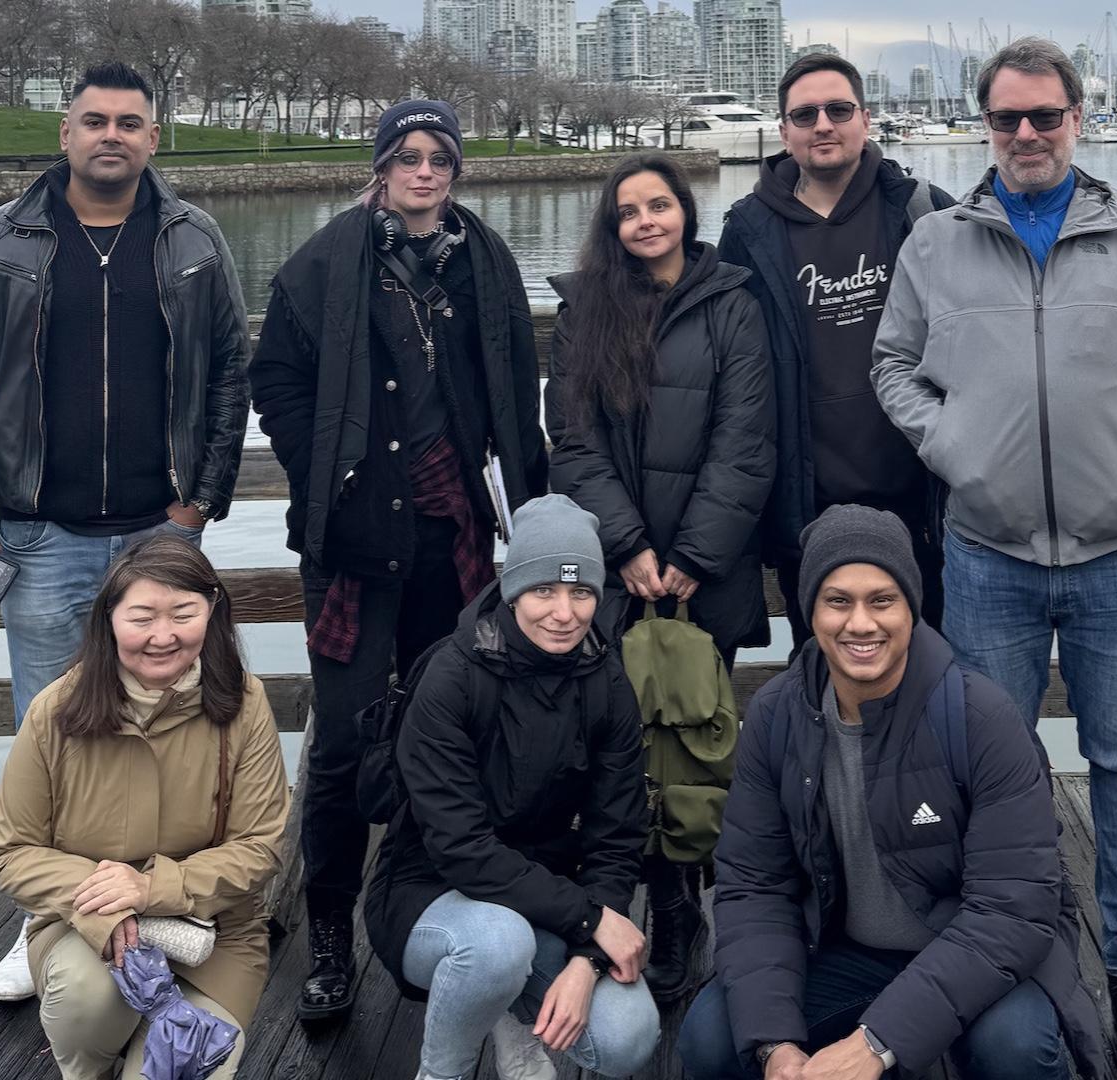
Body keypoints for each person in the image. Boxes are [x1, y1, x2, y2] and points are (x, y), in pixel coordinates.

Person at [870, 36, 1117, 1074]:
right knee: (995, 770)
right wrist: (954, 449)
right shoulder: (937, 244)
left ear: (1078, 118)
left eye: (1045, 116)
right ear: (985, 126)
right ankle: (1011, 960)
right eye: (1007, 119)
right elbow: (894, 366)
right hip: (986, 557)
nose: (1026, 134)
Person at [0, 60, 250, 1002]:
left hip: (162, 531)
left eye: (131, 122)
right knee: (56, 736)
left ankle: (159, 908)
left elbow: (232, 373)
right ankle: (50, 928)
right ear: (63, 133)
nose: (113, 134)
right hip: (39, 534)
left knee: (173, 733)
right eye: (94, 119)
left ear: (155, 139)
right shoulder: (1, 242)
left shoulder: (192, 239)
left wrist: (199, 509)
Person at [248, 99, 549, 1022]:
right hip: (353, 541)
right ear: (381, 167)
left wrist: (527, 503)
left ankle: (431, 904)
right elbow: (276, 382)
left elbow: (515, 376)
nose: (425, 173)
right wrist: (325, 470)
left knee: (447, 721)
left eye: (441, 160)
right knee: (341, 740)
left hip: (453, 535)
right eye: (408, 158)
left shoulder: (484, 259)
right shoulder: (328, 260)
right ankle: (331, 930)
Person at [678, 504, 1106, 1080]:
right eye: (838, 601)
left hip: (970, 942)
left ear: (912, 608)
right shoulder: (778, 715)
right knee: (712, 1039)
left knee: (1015, 1047)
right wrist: (775, 1045)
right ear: (811, 610)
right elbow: (755, 887)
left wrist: (876, 1043)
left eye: (882, 600)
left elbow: (1013, 909)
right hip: (845, 949)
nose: (860, 624)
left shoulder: (980, 716)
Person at [544, 153, 774, 1000]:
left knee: (692, 741)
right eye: (628, 212)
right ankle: (624, 902)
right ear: (613, 227)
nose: (645, 222)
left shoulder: (733, 304)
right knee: (614, 744)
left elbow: (745, 440)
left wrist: (690, 558)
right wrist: (630, 546)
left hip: (702, 572)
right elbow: (574, 440)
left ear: (685, 211)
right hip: (613, 573)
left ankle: (685, 907)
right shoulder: (585, 313)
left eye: (659, 206)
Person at [364, 494, 660, 1080]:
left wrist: (585, 958)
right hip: (431, 890)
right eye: (544, 590)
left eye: (581, 593)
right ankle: (441, 1072)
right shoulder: (451, 677)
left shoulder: (606, 682)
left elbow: (617, 836)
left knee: (629, 1037)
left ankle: (511, 1019)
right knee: (499, 945)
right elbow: (460, 849)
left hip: (548, 900)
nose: (564, 613)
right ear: (511, 589)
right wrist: (590, 917)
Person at [0, 536, 289, 1080]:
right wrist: (101, 896)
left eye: (184, 614)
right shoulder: (54, 711)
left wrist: (152, 888)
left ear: (212, 612)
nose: (163, 636)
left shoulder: (245, 703)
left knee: (181, 1069)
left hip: (214, 936)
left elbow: (260, 846)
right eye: (141, 617)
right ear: (108, 619)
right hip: (86, 928)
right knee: (85, 996)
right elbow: (9, 852)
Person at [715, 54, 955, 649]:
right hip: (807, 505)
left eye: (838, 109)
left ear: (865, 120)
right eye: (805, 114)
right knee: (825, 680)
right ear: (784, 131)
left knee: (931, 681)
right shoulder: (747, 229)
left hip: (922, 502)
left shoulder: (922, 209)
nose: (823, 123)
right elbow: (717, 355)